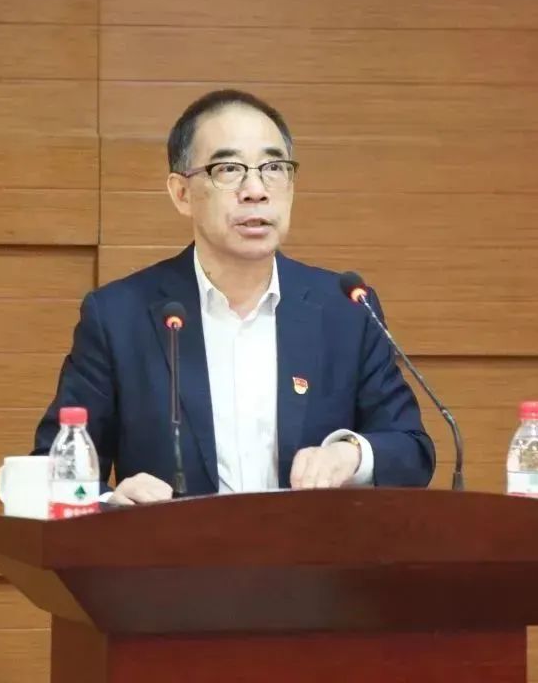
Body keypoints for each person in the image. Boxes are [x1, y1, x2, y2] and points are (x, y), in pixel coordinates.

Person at [33, 89, 435, 505]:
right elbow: (51, 468)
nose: (256, 190)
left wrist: (350, 454)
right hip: (173, 548)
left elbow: (411, 449)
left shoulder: (345, 309)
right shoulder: (119, 317)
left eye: (273, 168)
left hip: (311, 549)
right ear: (181, 193)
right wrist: (111, 503)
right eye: (228, 169)